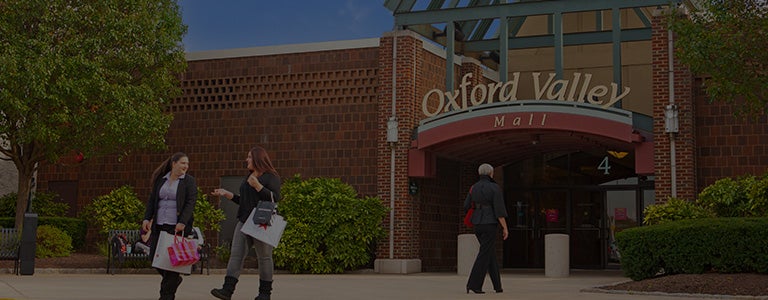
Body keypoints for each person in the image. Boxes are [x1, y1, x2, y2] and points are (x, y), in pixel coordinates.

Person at [210, 146, 281, 300]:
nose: (246, 160)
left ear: (257, 158)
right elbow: (244, 201)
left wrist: (258, 186)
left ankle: (264, 294)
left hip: (261, 222)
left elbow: (275, 198)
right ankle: (227, 290)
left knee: (264, 258)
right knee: (235, 255)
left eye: (249, 157)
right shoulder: (249, 176)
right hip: (244, 221)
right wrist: (227, 194)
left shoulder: (271, 177)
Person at [142, 152, 197, 300]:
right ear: (174, 163)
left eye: (187, 164)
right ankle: (174, 281)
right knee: (155, 259)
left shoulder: (189, 181)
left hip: (176, 228)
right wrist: (147, 218)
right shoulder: (161, 180)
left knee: (172, 264)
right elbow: (152, 199)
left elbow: (190, 203)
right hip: (159, 225)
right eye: (183, 163)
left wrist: (182, 222)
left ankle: (166, 295)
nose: (186, 166)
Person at [464, 163, 508, 294]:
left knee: (489, 252)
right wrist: (505, 228)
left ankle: (497, 286)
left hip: (477, 224)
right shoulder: (495, 188)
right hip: (490, 223)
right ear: (491, 173)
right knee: (484, 254)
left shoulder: (473, 187)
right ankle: (473, 284)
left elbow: (466, 205)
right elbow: (499, 210)